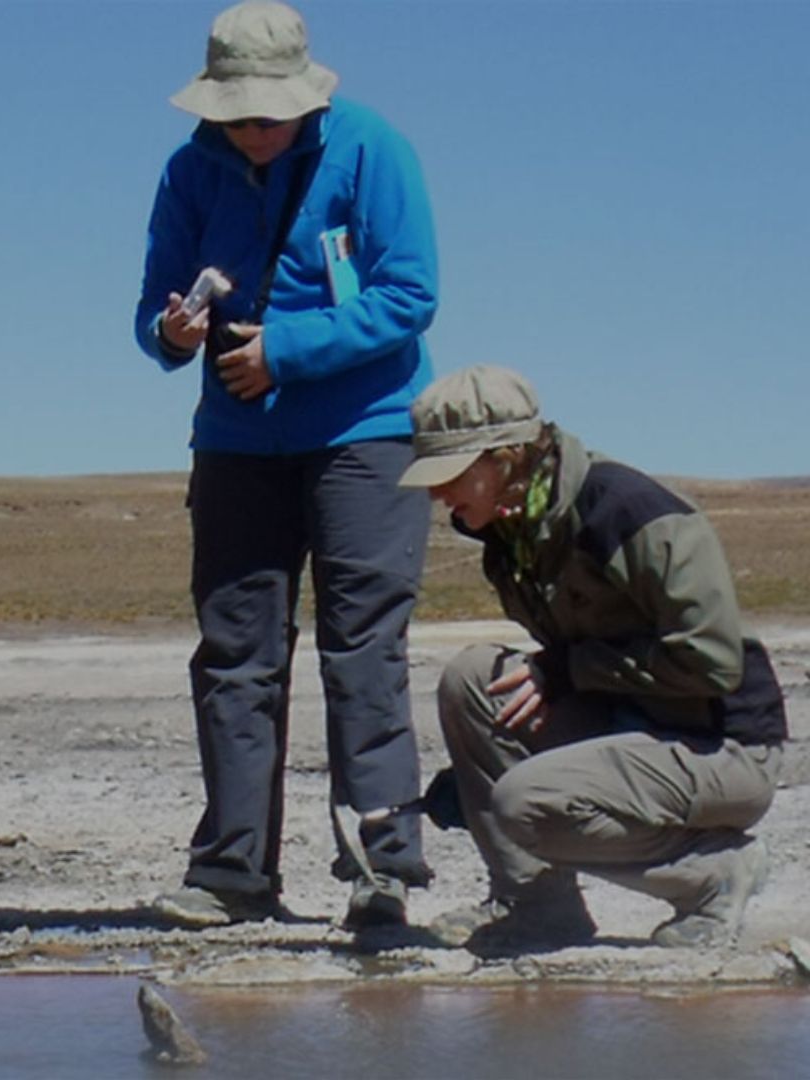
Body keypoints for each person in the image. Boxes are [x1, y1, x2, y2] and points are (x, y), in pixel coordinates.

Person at [134, 1, 440, 928]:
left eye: (266, 115)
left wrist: (288, 351)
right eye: (236, 116)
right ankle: (234, 874)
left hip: (366, 435)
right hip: (236, 445)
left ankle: (383, 870)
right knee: (236, 656)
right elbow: (153, 310)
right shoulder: (190, 171)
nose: (252, 131)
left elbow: (410, 293)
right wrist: (172, 332)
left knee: (363, 650)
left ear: (305, 99)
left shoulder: (373, 149)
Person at [399, 365, 789, 951]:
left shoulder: (631, 513)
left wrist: (567, 672)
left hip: (724, 745)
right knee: (472, 680)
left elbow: (711, 662)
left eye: (450, 474)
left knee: (523, 802)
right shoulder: (514, 537)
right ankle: (537, 906)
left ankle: (714, 875)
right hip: (630, 725)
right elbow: (571, 655)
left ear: (506, 456)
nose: (436, 494)